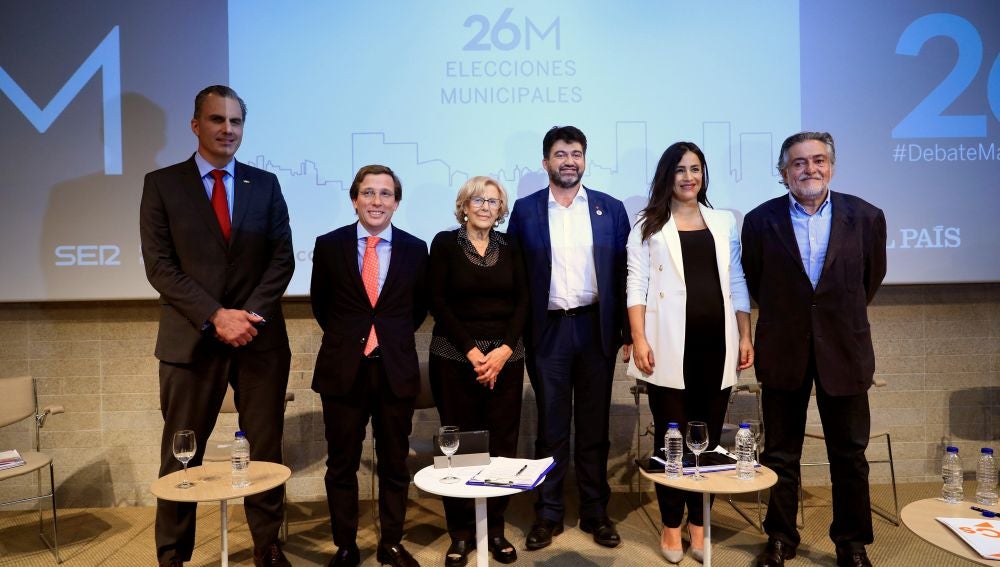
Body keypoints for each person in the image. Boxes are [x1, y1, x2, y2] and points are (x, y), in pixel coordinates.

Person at [139, 85, 294, 567]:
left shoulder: (264, 184)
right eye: (216, 120)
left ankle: (267, 545)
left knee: (265, 450)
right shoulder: (162, 184)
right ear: (195, 125)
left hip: (259, 339)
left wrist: (246, 316)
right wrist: (215, 315)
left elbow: (282, 259)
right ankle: (173, 554)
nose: (227, 129)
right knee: (182, 450)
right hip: (192, 340)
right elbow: (160, 266)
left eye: (236, 122)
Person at [742, 132, 887, 567]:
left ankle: (852, 543)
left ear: (832, 166)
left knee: (849, 453)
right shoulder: (759, 220)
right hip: (784, 350)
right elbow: (756, 281)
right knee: (781, 453)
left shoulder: (865, 216)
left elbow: (870, 278)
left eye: (818, 160)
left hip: (844, 351)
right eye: (799, 162)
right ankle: (781, 539)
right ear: (784, 171)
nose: (810, 169)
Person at [626, 142, 754, 563]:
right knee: (672, 442)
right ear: (667, 175)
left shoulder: (722, 221)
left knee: (709, 441)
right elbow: (636, 285)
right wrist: (639, 339)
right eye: (680, 169)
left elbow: (736, 281)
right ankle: (670, 527)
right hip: (666, 347)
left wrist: (745, 335)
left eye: (695, 168)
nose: (688, 176)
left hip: (716, 345)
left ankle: (700, 528)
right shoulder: (648, 223)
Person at [506, 125, 632, 550]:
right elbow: (516, 277)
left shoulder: (610, 209)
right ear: (545, 162)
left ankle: (597, 513)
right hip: (549, 331)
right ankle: (549, 513)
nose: (569, 161)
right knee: (552, 427)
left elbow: (624, 275)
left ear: (585, 159)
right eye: (560, 154)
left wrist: (629, 333)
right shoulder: (524, 211)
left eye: (576, 153)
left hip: (596, 329)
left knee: (595, 427)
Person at [310, 165, 428, 567]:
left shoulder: (416, 249)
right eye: (368, 193)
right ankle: (345, 544)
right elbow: (321, 306)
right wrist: (356, 340)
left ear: (397, 201)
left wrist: (385, 340)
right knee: (341, 463)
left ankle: (391, 542)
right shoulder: (328, 246)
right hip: (344, 371)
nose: (377, 202)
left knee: (395, 461)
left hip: (394, 369)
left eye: (385, 194)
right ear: (354, 198)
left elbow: (416, 310)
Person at [428, 176, 528, 566]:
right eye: (477, 200)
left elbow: (524, 301)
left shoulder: (512, 245)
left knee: (502, 447)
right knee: (459, 447)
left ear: (501, 209)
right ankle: (461, 533)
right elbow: (437, 300)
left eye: (493, 201)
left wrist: (502, 351)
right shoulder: (444, 244)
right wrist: (473, 353)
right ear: (464, 205)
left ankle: (496, 529)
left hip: (506, 359)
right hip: (454, 359)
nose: (485, 206)